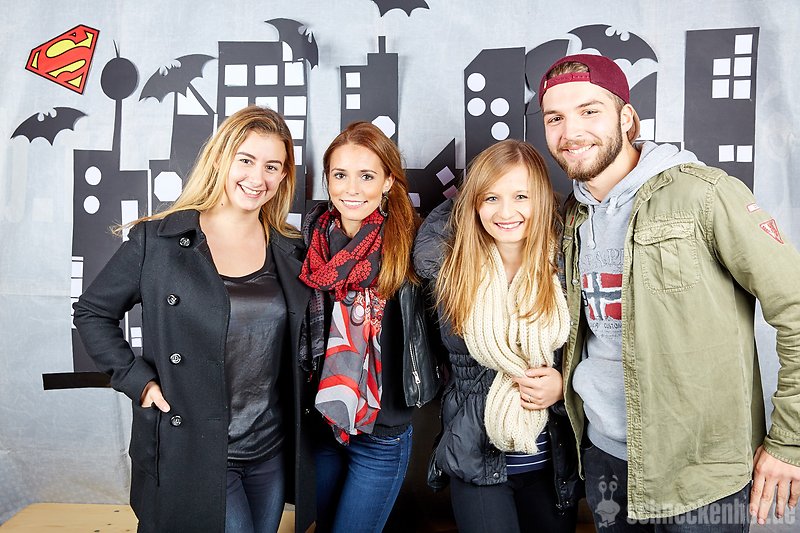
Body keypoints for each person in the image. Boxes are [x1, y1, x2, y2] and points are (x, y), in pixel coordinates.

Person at [538, 53, 800, 531]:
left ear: (627, 117)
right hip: (605, 462)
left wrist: (790, 441)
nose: (570, 131)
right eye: (555, 118)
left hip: (698, 472)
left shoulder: (704, 194)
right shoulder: (571, 218)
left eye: (589, 111)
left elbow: (796, 307)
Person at [73, 105, 314, 533]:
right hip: (194, 448)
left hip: (269, 447)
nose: (257, 178)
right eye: (246, 160)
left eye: (272, 166)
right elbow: (92, 311)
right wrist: (138, 381)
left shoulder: (291, 248)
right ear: (220, 158)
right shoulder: (159, 241)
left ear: (283, 177)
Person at [413, 139, 582, 533]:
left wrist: (564, 386)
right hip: (476, 457)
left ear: (541, 200)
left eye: (521, 196)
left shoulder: (567, 265)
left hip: (550, 461)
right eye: (491, 197)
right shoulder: (450, 269)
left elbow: (598, 350)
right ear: (473, 203)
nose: (506, 212)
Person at [298, 121, 439, 533]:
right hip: (322, 423)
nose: (352, 189)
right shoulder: (309, 241)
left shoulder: (414, 244)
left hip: (382, 431)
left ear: (389, 181)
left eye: (366, 176)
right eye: (340, 175)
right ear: (327, 179)